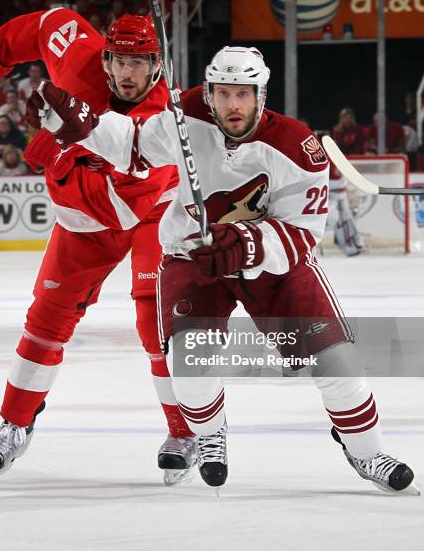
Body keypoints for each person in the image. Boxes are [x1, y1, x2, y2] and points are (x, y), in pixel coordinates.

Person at [36, 46, 418, 494]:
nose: (231, 104)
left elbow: (302, 235)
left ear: (261, 93)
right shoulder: (187, 114)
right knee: (189, 366)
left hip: (274, 263)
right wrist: (85, 125)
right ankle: (210, 434)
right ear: (210, 92)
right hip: (193, 254)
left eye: (242, 93)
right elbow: (133, 146)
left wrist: (247, 244)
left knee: (338, 363)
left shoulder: (298, 147)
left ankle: (366, 451)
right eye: (222, 93)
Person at [0, 9, 195, 484]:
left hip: (152, 210)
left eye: (140, 62)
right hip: (86, 216)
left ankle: (184, 430)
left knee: (158, 321)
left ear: (157, 63)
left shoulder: (166, 119)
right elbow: (47, 23)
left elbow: (118, 207)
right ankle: (14, 423)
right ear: (104, 56)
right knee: (47, 318)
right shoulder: (80, 61)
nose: (128, 73)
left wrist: (66, 149)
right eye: (120, 61)